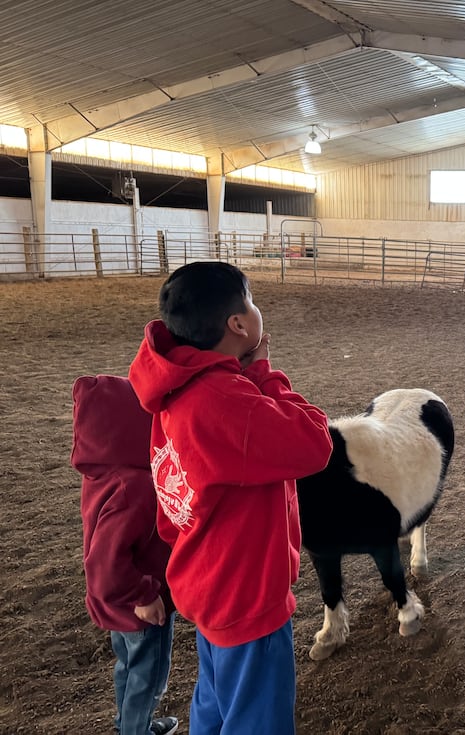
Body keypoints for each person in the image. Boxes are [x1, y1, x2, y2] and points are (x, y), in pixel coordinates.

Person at [128, 262, 334, 735]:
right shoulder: (226, 402)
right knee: (257, 718)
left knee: (216, 702)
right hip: (245, 596)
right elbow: (315, 441)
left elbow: (171, 499)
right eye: (253, 300)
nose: (258, 309)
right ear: (238, 325)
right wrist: (263, 374)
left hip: (205, 579)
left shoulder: (177, 389)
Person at [71, 374, 179, 735]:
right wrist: (145, 595)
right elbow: (107, 565)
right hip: (142, 607)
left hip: (120, 608)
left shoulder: (101, 475)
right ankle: (136, 729)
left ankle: (129, 725)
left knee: (128, 667)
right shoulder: (133, 487)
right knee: (148, 679)